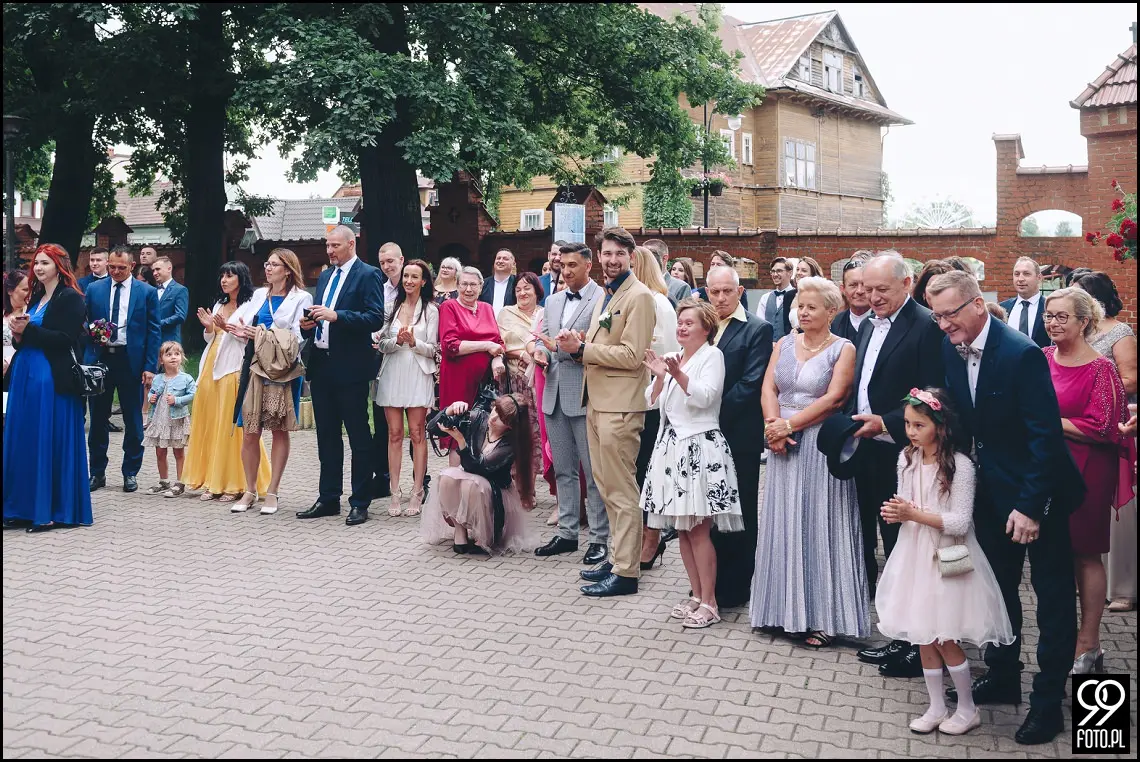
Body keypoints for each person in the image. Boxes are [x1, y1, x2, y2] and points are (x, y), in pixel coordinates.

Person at [927, 270, 1083, 745]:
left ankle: (1047, 704)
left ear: (977, 305)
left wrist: (1031, 507)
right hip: (990, 495)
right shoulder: (950, 347)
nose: (943, 325)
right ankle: (1003, 674)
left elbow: (1045, 438)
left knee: (1054, 599)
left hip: (1043, 495)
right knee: (998, 590)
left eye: (949, 314)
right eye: (936, 317)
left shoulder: (1021, 353)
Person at [876, 388, 1013, 736]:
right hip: (914, 553)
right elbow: (906, 501)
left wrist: (914, 514)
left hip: (949, 556)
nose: (910, 432)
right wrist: (897, 513)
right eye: (907, 424)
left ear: (940, 425)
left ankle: (967, 708)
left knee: (944, 636)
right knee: (923, 634)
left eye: (918, 425)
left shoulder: (960, 466)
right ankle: (936, 706)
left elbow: (960, 522)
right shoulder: (906, 458)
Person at [750, 276, 868, 647]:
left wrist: (790, 424)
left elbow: (835, 398)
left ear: (832, 311)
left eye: (812, 306)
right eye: (800, 305)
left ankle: (822, 618)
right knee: (782, 522)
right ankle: (779, 612)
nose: (803, 311)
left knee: (818, 523)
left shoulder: (843, 348)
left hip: (817, 444)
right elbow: (768, 387)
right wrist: (775, 428)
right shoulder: (783, 342)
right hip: (781, 442)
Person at [849, 252, 946, 678]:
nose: (872, 298)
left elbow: (933, 391)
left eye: (881, 290)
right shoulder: (870, 324)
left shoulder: (925, 325)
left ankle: (915, 644)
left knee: (904, 549)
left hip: (905, 452)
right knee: (881, 543)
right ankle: (899, 634)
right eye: (867, 290)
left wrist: (886, 422)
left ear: (907, 284)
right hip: (869, 451)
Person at [558, 227, 655, 598]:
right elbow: (603, 342)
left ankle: (627, 573)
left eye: (619, 254)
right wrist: (578, 343)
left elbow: (633, 356)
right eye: (607, 254)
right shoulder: (607, 295)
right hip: (597, 403)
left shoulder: (639, 297)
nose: (612, 260)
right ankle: (617, 559)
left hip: (621, 408)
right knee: (606, 488)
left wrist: (582, 352)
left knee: (621, 492)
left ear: (631, 256)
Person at [1041, 287, 1133, 674]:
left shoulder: (1101, 367)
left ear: (1084, 322)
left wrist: (1048, 422)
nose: (1053, 323)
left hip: (1087, 470)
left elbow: (1104, 427)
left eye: (1062, 316)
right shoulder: (1041, 357)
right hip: (1047, 467)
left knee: (1085, 553)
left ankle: (1088, 642)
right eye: (1049, 315)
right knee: (1052, 555)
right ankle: (1060, 641)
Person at [642, 300, 743, 628]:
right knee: (683, 530)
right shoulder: (675, 358)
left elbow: (705, 396)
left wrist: (677, 375)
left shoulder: (713, 356)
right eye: (680, 322)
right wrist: (660, 377)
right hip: (671, 450)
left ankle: (711, 602)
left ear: (706, 328)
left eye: (689, 323)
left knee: (699, 530)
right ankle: (697, 595)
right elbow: (651, 400)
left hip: (699, 450)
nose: (681, 327)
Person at [297, 226, 385, 526]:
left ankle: (360, 501)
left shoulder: (368, 274)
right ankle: (328, 498)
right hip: (322, 366)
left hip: (351, 367)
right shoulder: (325, 276)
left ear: (351, 243)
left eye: (335, 245)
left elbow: (374, 317)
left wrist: (338, 316)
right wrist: (306, 325)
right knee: (327, 437)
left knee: (359, 437)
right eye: (327, 245)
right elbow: (320, 315)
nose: (330, 251)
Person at [3, 244, 93, 531]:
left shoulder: (72, 298)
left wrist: (28, 330)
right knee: (24, 440)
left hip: (50, 377)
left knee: (44, 439)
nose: (38, 268)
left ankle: (52, 510)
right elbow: (30, 336)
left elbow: (65, 339)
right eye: (36, 263)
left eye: (44, 263)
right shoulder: (38, 296)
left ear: (59, 265)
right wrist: (19, 334)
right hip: (25, 373)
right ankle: (21, 507)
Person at [533, 242, 609, 565]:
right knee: (564, 469)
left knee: (593, 473)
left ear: (588, 266)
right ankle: (566, 533)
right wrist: (542, 354)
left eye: (572, 265)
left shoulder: (602, 298)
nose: (565, 271)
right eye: (562, 265)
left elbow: (603, 343)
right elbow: (548, 340)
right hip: (553, 392)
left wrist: (577, 346)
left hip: (584, 392)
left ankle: (599, 538)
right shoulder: (551, 301)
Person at [705, 265, 772, 608]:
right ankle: (710, 582)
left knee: (740, 507)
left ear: (740, 291)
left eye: (726, 291)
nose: (720, 298)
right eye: (713, 292)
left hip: (738, 432)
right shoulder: (703, 326)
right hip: (703, 435)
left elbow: (751, 383)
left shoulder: (757, 329)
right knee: (710, 508)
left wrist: (709, 412)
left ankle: (739, 585)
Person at [230, 249, 313, 514]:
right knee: (250, 430)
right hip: (254, 366)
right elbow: (242, 326)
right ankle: (250, 489)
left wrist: (263, 335)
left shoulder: (302, 297)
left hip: (282, 370)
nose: (268, 268)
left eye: (274, 264)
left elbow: (298, 337)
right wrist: (242, 331)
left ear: (287, 269)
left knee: (279, 429)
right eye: (267, 263)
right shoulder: (258, 295)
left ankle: (273, 492)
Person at [1073, 271, 1137, 612]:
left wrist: (1091, 394)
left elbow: (1129, 379)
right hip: (1075, 429)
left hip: (1113, 424)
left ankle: (1124, 584)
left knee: (1117, 510)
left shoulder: (1119, 331)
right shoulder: (1072, 335)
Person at [181, 261, 271, 502]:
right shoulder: (219, 303)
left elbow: (248, 338)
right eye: (222, 275)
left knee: (230, 424)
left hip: (234, 365)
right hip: (212, 364)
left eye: (229, 276)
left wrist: (227, 327)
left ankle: (236, 483)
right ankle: (213, 480)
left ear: (241, 278)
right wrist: (209, 327)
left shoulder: (252, 303)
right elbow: (211, 337)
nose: (224, 280)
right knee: (211, 421)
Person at [85, 245, 161, 494]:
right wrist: (93, 333)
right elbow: (84, 321)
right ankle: (97, 472)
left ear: (132, 266)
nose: (116, 271)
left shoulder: (146, 292)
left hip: (131, 361)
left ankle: (130, 472)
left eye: (121, 267)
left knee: (132, 419)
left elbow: (153, 329)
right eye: (112, 267)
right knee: (98, 418)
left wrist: (150, 366)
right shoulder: (95, 289)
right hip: (102, 359)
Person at [420, 395, 538, 554]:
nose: (494, 417)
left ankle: (484, 535)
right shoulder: (479, 417)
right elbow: (432, 427)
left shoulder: (510, 445)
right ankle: (459, 530)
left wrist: (461, 441)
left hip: (493, 492)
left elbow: (478, 468)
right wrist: (450, 410)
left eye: (501, 418)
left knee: (472, 484)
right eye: (495, 409)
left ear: (510, 426)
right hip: (471, 480)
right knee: (446, 477)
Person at [372, 259, 439, 518]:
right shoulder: (392, 307)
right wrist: (397, 341)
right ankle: (394, 491)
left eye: (414, 277)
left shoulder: (431, 310)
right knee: (395, 434)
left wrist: (413, 342)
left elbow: (434, 349)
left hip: (418, 372)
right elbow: (382, 343)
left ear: (423, 282)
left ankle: (417, 490)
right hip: (393, 371)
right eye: (406, 276)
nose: (409, 281)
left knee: (418, 433)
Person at [630, 245, 680, 570]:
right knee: (637, 469)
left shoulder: (658, 302)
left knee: (650, 469)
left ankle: (653, 537)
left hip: (653, 396)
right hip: (634, 397)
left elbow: (660, 350)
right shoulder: (635, 299)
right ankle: (640, 537)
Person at [439, 267, 506, 460]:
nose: (468, 289)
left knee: (482, 430)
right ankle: (456, 483)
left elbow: (498, 341)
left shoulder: (486, 308)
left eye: (473, 284)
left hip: (484, 383)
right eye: (464, 284)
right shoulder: (449, 307)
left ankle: (477, 484)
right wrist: (486, 345)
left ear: (481, 286)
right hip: (457, 379)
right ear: (457, 286)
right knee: (458, 429)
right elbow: (450, 346)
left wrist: (496, 358)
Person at [497, 272, 545, 510]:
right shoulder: (506, 313)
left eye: (528, 288)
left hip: (539, 381)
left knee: (535, 435)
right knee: (516, 434)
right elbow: (501, 343)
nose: (523, 293)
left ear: (537, 291)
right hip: (515, 382)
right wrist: (522, 354)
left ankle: (530, 488)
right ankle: (516, 486)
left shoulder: (544, 314)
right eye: (518, 289)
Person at [370, 242, 405, 500]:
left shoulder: (414, 285)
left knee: (416, 427)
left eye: (391, 261)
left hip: (411, 359)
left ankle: (421, 481)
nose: (387, 266)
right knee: (382, 422)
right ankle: (382, 478)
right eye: (383, 263)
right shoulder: (379, 290)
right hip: (382, 359)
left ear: (401, 259)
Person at [142, 341, 196, 497]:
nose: (173, 357)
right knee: (160, 451)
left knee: (178, 452)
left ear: (182, 357)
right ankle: (163, 481)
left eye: (177, 354)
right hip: (160, 420)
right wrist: (151, 397)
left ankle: (180, 482)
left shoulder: (186, 379)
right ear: (161, 360)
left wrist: (177, 400)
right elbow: (152, 392)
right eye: (169, 354)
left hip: (176, 421)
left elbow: (193, 394)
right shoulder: (158, 378)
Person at [999, 257, 1050, 348]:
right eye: (1017, 274)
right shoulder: (1002, 308)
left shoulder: (1050, 307)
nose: (1020, 279)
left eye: (1026, 274)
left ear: (1039, 278)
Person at [831, 257, 871, 343]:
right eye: (853, 285)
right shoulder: (834, 324)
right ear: (843, 289)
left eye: (864, 284)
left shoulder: (884, 323)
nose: (859, 291)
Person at [755, 257, 796, 340]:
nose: (775, 274)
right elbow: (759, 324)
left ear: (790, 273)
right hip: (767, 347)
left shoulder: (797, 296)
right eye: (773, 271)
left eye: (779, 271)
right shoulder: (765, 298)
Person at [151, 256, 188, 345]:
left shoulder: (180, 290)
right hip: (153, 340)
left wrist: (158, 323)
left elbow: (180, 316)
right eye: (153, 270)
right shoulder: (152, 290)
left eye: (158, 269)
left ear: (169, 268)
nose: (154, 273)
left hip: (170, 341)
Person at [4, 270, 30, 379]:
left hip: (20, 369)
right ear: (10, 290)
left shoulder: (31, 314)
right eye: (25, 290)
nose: (29, 293)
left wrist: (9, 361)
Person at [479, 249, 517, 316]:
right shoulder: (483, 284)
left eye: (505, 259)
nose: (500, 261)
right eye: (498, 258)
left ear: (513, 264)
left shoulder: (518, 283)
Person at [538, 240, 568, 308]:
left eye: (561, 255)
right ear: (549, 255)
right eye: (554, 254)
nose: (557, 258)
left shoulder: (573, 284)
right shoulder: (537, 282)